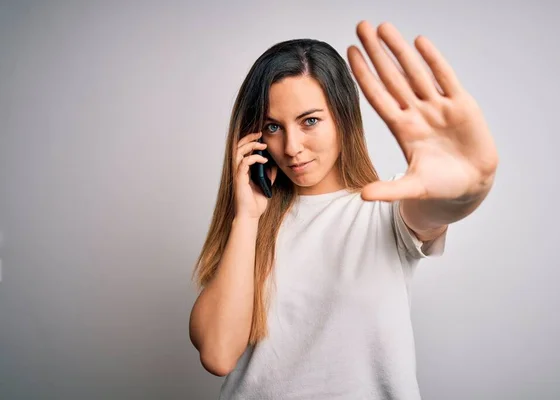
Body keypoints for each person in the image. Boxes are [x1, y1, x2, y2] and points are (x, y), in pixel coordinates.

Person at [188, 20, 498, 400]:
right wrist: (247, 217)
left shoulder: (385, 212)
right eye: (273, 126)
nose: (292, 147)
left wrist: (470, 187)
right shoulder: (250, 227)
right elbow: (218, 354)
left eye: (310, 121)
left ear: (343, 117)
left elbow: (436, 209)